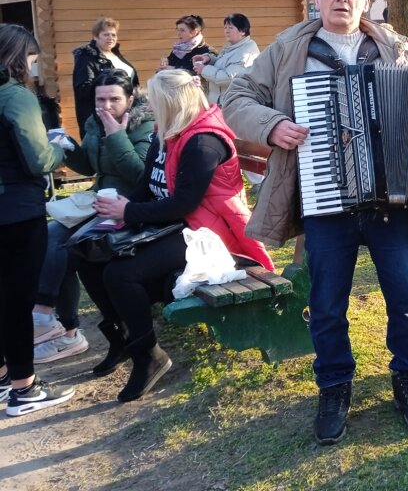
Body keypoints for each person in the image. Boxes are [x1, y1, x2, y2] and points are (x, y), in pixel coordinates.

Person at [221, 0, 408, 446]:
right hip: (325, 200)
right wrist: (272, 125)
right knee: (327, 304)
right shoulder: (288, 48)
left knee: (406, 298)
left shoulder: (396, 48)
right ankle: (334, 387)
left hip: (393, 202)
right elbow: (236, 98)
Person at [80, 69, 274, 402]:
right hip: (177, 226)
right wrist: (119, 210)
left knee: (121, 274)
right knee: (89, 253)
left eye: (155, 102)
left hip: (209, 237)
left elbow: (184, 203)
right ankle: (123, 339)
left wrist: (129, 212)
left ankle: (149, 356)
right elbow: (147, 186)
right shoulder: (168, 132)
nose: (149, 108)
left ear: (171, 103)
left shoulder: (203, 141)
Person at [32, 71, 155, 366]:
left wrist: (116, 135)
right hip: (98, 202)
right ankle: (64, 328)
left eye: (114, 99)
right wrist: (68, 147)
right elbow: (90, 165)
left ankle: (49, 319)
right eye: (100, 99)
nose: (106, 106)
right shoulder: (94, 121)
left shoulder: (146, 124)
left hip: (131, 206)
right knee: (53, 238)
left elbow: (140, 175)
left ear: (130, 99)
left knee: (68, 247)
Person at [0, 24, 76, 416]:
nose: (33, 66)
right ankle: (24, 389)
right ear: (17, 57)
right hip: (16, 211)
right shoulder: (15, 96)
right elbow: (37, 159)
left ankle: (4, 377)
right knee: (17, 302)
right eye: (31, 58)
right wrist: (58, 147)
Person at [72, 17, 139, 136]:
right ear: (95, 37)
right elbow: (82, 89)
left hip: (125, 111)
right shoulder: (86, 58)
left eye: (113, 35)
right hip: (101, 116)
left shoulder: (116, 54)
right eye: (106, 34)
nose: (110, 38)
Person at [192, 13, 261, 105]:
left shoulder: (246, 52)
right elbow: (224, 64)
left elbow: (228, 79)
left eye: (230, 28)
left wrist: (204, 69)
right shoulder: (233, 47)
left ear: (242, 31)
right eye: (225, 28)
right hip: (222, 102)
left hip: (232, 105)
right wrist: (209, 60)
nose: (226, 31)